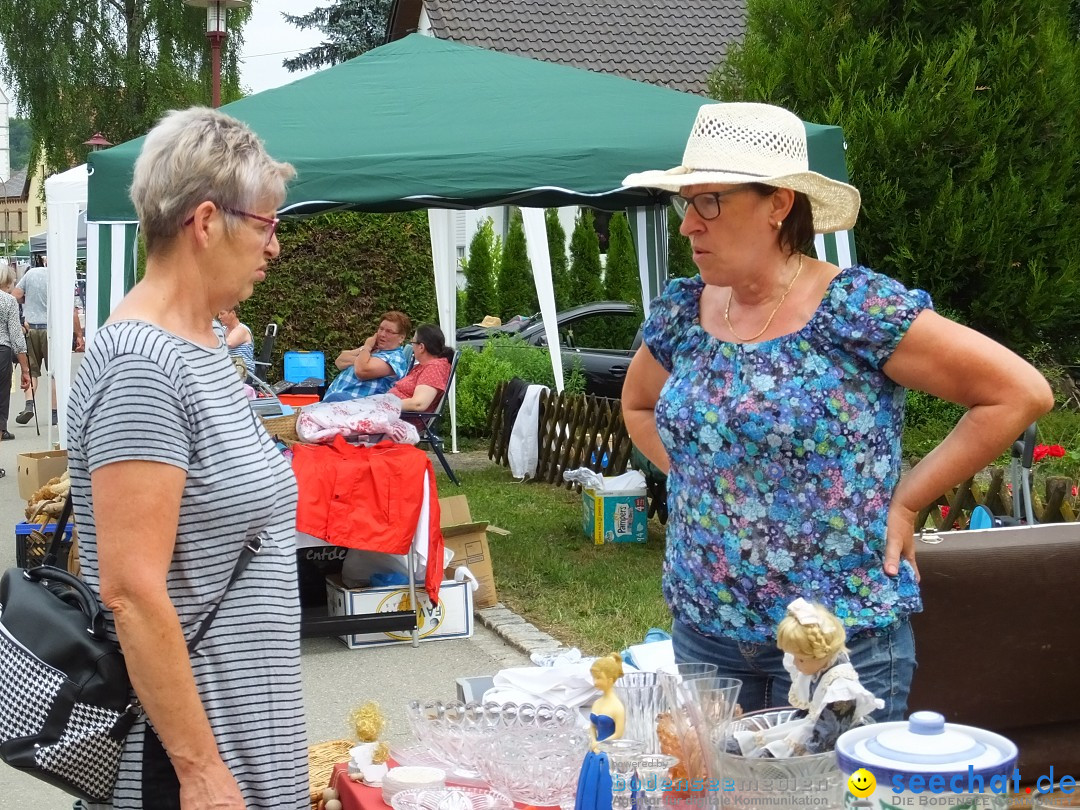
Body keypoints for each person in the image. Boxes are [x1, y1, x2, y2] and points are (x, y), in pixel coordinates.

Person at [620, 102, 1053, 721]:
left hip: (839, 639)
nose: (689, 225)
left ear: (778, 205)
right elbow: (638, 405)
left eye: (709, 201)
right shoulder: (685, 313)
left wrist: (907, 500)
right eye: (685, 203)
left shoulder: (854, 310)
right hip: (706, 632)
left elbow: (1019, 392)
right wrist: (697, 476)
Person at [65, 107, 307, 809]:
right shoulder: (143, 366)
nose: (275, 248)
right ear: (206, 222)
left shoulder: (199, 345)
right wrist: (201, 772)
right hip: (186, 771)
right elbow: (133, 592)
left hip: (244, 735)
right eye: (266, 225)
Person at [729, 598, 881, 758]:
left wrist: (806, 756)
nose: (794, 663)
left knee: (775, 753)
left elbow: (828, 736)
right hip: (811, 725)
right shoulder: (821, 667)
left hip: (824, 741)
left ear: (821, 654)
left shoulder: (841, 691)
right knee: (766, 737)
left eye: (800, 659)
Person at [13, 253, 85, 426]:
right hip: (53, 330)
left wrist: (27, 301)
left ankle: (29, 405)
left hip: (32, 329)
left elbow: (15, 294)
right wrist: (79, 335)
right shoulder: (62, 277)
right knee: (54, 373)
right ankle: (54, 413)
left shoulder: (30, 274)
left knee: (31, 371)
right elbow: (72, 310)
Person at [323, 310, 412, 402]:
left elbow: (362, 371)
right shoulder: (373, 350)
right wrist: (364, 357)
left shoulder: (395, 358)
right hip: (337, 401)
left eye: (389, 331)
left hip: (357, 406)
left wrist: (366, 348)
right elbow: (340, 361)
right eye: (381, 329)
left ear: (401, 337)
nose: (382, 334)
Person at [575, 654, 625, 810]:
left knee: (606, 786)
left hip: (609, 754)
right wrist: (593, 741)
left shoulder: (617, 707)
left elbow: (619, 734)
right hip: (594, 751)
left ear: (610, 680)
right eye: (594, 677)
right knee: (590, 785)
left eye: (599, 678)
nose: (595, 682)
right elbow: (592, 726)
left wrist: (600, 743)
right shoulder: (597, 702)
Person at [389, 322, 453, 411]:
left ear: (421, 347)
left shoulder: (435, 368)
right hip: (392, 414)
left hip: (402, 419)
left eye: (413, 342)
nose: (412, 345)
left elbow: (419, 404)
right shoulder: (425, 365)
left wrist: (386, 405)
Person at [0, 266, 32, 440]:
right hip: (2, 353)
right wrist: (25, 369)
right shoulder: (8, 301)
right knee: (1, 401)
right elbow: (16, 337)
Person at [217, 306, 255, 379]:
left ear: (233, 313)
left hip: (243, 372)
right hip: (229, 371)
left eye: (222, 314)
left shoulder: (242, 329)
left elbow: (229, 343)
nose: (219, 317)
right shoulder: (223, 329)